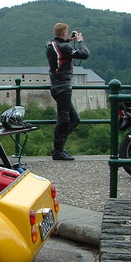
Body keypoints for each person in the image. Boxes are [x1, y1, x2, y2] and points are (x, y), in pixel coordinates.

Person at [46, 23, 89, 160]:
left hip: (55, 85)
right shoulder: (65, 47)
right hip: (63, 86)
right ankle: (58, 151)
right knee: (64, 119)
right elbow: (85, 54)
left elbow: (61, 47)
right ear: (64, 32)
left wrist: (69, 40)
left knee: (74, 119)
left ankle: (58, 147)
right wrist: (80, 41)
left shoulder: (50, 44)